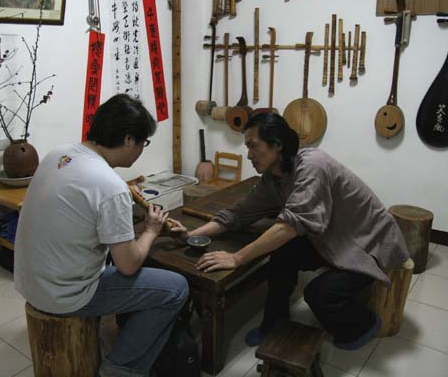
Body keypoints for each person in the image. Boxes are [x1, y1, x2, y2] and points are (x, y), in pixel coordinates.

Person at [170, 113, 409, 350]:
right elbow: (238, 214)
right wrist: (192, 235)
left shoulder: (313, 165)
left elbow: (288, 227)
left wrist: (236, 258)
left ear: (277, 145)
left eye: (253, 146)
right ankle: (273, 323)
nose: (249, 154)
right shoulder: (272, 179)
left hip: (365, 243)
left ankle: (365, 324)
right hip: (329, 237)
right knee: (282, 256)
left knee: (319, 294)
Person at [14, 94, 189, 377]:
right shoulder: (110, 185)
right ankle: (120, 369)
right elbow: (128, 265)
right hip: (63, 295)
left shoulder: (58, 155)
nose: (141, 150)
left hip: (28, 281)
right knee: (175, 289)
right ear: (129, 139)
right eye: (143, 143)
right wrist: (151, 230)